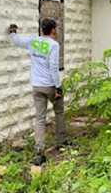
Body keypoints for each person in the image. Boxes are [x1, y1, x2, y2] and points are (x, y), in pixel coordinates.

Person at [8, 18, 67, 165]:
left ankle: (39, 152)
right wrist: (58, 87)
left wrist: (12, 32)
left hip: (36, 86)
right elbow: (54, 67)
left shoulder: (33, 41)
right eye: (56, 28)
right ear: (53, 30)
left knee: (40, 118)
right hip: (50, 86)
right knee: (59, 111)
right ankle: (61, 142)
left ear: (42, 29)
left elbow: (17, 41)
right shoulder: (53, 45)